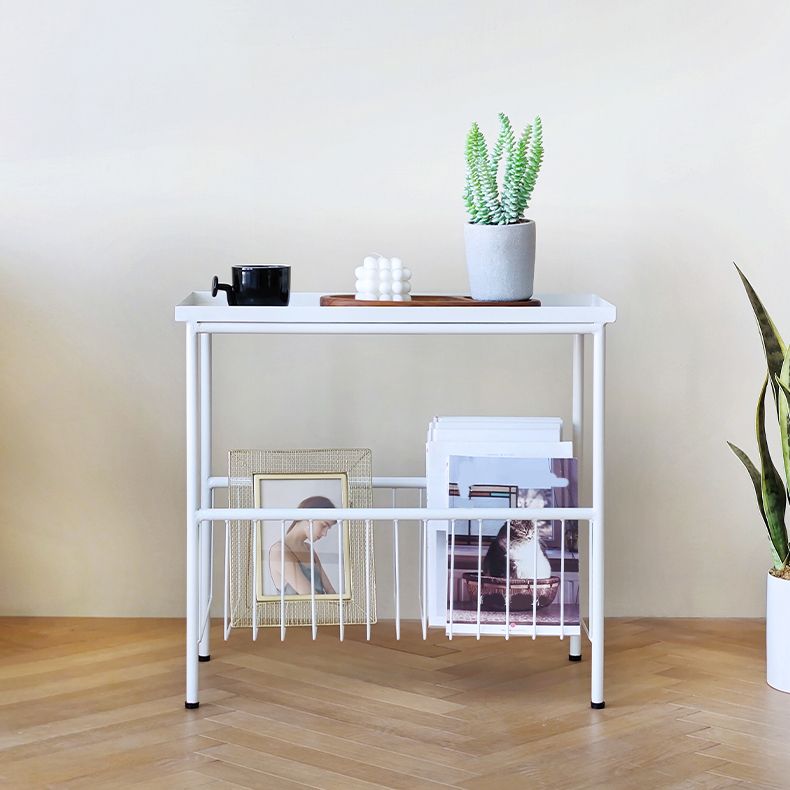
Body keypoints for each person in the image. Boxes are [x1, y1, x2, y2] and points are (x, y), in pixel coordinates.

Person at [268, 495, 337, 595]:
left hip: (322, 609)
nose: (324, 533)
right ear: (308, 517)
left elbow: (330, 591)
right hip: (299, 610)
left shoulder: (309, 549)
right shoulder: (278, 551)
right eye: (324, 525)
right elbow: (308, 594)